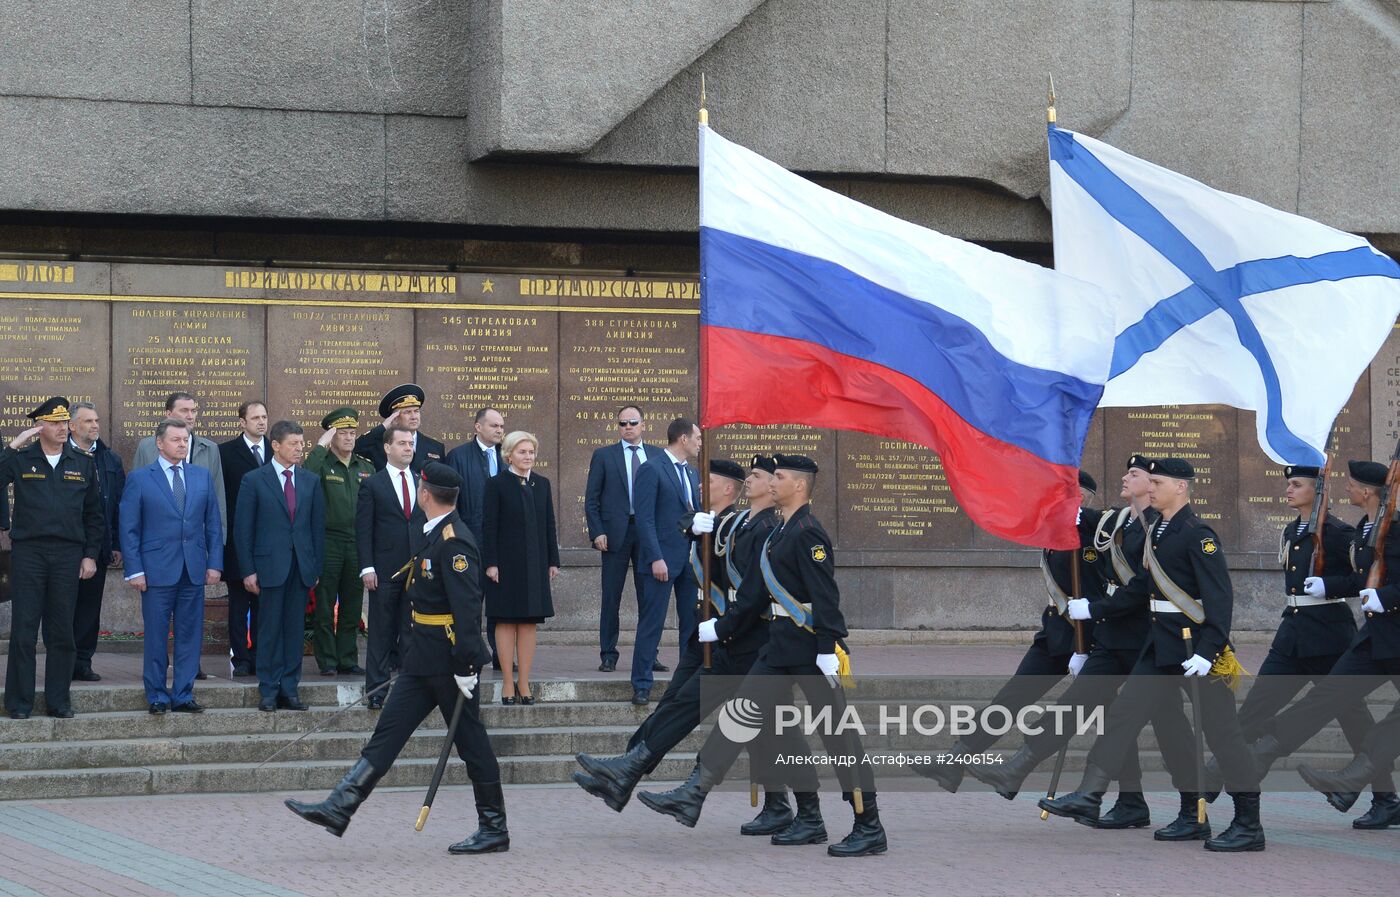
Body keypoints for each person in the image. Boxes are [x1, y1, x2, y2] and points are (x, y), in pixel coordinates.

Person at [637, 454, 887, 858]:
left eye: (780, 477)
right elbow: (754, 592)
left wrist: (827, 649)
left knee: (840, 740)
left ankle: (869, 825)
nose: (772, 482)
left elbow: (826, 599)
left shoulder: (809, 533)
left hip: (810, 650)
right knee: (740, 713)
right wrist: (721, 625)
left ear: (800, 486)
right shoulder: (778, 533)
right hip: (777, 649)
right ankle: (697, 793)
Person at [1040, 458, 1264, 852]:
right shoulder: (1157, 530)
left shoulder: (1199, 534)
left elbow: (1220, 599)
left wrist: (1210, 650)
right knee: (1124, 713)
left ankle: (1249, 823)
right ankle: (1094, 794)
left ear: (1181, 487)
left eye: (1158, 482)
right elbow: (1142, 586)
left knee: (1223, 736)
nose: (1152, 488)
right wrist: (1096, 609)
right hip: (1160, 647)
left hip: (1196, 649)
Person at [284, 462, 508, 855]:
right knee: (387, 733)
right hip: (422, 659)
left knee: (472, 743)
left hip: (450, 662)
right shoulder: (434, 533)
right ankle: (341, 806)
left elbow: (469, 608)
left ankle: (494, 827)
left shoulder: (453, 541)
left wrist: (468, 664)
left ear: (424, 494)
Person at [574, 455, 801, 839]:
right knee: (703, 712)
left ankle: (640, 775)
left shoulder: (765, 527)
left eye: (764, 477)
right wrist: (691, 526)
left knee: (759, 728)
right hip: (718, 634)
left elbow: (753, 591)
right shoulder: (738, 522)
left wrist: (725, 627)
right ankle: (629, 772)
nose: (755, 482)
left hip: (747, 640)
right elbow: (686, 525)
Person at [967, 457, 1185, 833]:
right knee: (1074, 705)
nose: (1124, 476)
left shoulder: (1162, 530)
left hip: (1150, 641)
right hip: (1116, 637)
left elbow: (1143, 588)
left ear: (1153, 486)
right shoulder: (1117, 522)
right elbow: (1071, 512)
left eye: (1134, 474)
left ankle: (1191, 805)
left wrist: (1095, 610)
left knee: (1169, 728)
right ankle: (1017, 770)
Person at [1200, 465, 1391, 822]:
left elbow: (1362, 578)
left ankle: (1384, 798)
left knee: (1354, 719)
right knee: (1256, 707)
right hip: (1292, 636)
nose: (1288, 490)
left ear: (1317, 491)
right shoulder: (1292, 530)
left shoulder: (1337, 532)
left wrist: (1330, 586)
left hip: (1329, 636)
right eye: (1288, 484)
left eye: (1296, 484)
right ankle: (1214, 775)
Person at [918, 470, 1102, 793]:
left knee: (1112, 717)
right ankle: (956, 761)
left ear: (1081, 498)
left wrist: (1085, 648)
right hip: (1055, 634)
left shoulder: (1091, 535)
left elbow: (1099, 590)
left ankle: (1130, 798)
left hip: (1089, 638)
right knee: (1011, 697)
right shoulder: (1053, 532)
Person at [0, 398, 104, 719]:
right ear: (40, 426)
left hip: (67, 555)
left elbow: (94, 517)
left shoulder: (83, 463)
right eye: (56, 422)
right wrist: (12, 445)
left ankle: (59, 701)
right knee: (24, 630)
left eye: (65, 422)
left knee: (61, 632)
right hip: (29, 553)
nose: (63, 428)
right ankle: (19, 702)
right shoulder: (22, 459)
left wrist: (90, 556)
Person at [119, 419, 223, 714]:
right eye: (176, 439)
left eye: (185, 440)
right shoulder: (141, 478)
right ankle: (156, 694)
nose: (182, 444)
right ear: (159, 444)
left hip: (193, 568)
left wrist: (214, 563)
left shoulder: (201, 476)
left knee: (190, 634)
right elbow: (129, 528)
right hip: (155, 571)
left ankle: (183, 694)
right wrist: (134, 569)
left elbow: (213, 524)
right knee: (156, 635)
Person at [234, 420, 325, 712]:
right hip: (268, 568)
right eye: (294, 443)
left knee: (294, 630)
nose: (300, 449)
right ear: (276, 445)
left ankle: (290, 688)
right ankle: (269, 690)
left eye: (302, 443)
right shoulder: (254, 480)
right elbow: (243, 530)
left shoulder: (310, 481)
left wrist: (315, 567)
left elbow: (316, 529)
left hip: (300, 568)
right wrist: (247, 570)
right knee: (270, 629)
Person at [585, 405, 665, 673]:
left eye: (633, 422)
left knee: (649, 597)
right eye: (622, 423)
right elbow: (592, 499)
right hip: (614, 534)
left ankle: (649, 653)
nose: (628, 427)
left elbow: (664, 498)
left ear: (644, 424)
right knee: (611, 597)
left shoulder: (657, 455)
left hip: (648, 533)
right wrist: (597, 531)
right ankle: (608, 653)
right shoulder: (604, 455)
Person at [482, 431, 559, 705]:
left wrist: (553, 560)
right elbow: (489, 526)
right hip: (504, 564)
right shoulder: (496, 484)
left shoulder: (542, 483)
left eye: (531, 452)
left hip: (535, 563)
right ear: (509, 454)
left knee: (528, 622)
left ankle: (524, 682)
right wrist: (490, 562)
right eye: (522, 452)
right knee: (505, 620)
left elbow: (549, 524)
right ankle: (506, 682)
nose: (528, 457)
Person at [629, 418, 703, 704]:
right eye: (696, 437)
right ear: (682, 439)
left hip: (689, 561)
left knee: (690, 623)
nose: (699, 443)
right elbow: (644, 519)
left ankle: (683, 685)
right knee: (652, 622)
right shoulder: (652, 468)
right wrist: (656, 558)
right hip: (661, 561)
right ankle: (642, 684)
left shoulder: (693, 473)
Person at [356, 424, 426, 709]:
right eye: (402, 443)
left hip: (416, 570)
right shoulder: (373, 484)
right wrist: (367, 567)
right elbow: (364, 529)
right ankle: (376, 689)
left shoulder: (422, 481)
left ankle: (408, 690)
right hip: (384, 570)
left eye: (410, 443)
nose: (408, 448)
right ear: (387, 447)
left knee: (411, 630)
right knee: (381, 631)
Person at [304, 408, 375, 676]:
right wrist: (320, 448)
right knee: (324, 605)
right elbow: (306, 479)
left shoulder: (365, 466)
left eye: (352, 433)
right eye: (342, 433)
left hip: (357, 542)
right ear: (331, 436)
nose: (348, 438)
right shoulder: (321, 465)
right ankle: (327, 661)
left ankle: (347, 658)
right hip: (328, 541)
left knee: (352, 603)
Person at [67, 401, 125, 683]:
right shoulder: (60, 453)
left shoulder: (109, 459)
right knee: (64, 608)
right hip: (64, 548)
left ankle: (82, 662)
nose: (95, 426)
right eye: (88, 421)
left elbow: (117, 505)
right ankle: (62, 661)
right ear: (72, 425)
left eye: (97, 421)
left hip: (98, 547)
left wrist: (116, 544)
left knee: (89, 610)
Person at [445, 407, 506, 668]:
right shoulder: (459, 456)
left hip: (503, 543)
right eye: (494, 425)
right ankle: (470, 650)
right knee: (470, 601)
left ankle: (500, 653)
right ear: (477, 427)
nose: (499, 430)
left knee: (500, 602)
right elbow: (452, 502)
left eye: (502, 426)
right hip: (471, 541)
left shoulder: (508, 456)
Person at [219, 400, 271, 677]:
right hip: (239, 541)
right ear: (242, 422)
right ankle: (240, 658)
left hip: (267, 543)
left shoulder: (276, 450)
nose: (261, 422)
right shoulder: (226, 452)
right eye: (255, 418)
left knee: (263, 604)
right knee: (239, 604)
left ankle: (260, 655)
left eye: (264, 417)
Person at [133, 391, 226, 533]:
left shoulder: (210, 449)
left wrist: (219, 538)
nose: (190, 416)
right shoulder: (146, 447)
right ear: (168, 414)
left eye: (193, 411)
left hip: (197, 539)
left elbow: (218, 498)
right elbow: (136, 498)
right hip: (158, 537)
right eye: (184, 410)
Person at [354, 384, 445, 473]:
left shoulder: (435, 447)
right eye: (407, 412)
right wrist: (383, 427)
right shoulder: (378, 444)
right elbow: (354, 448)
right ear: (395, 417)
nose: (414, 417)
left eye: (416, 411)